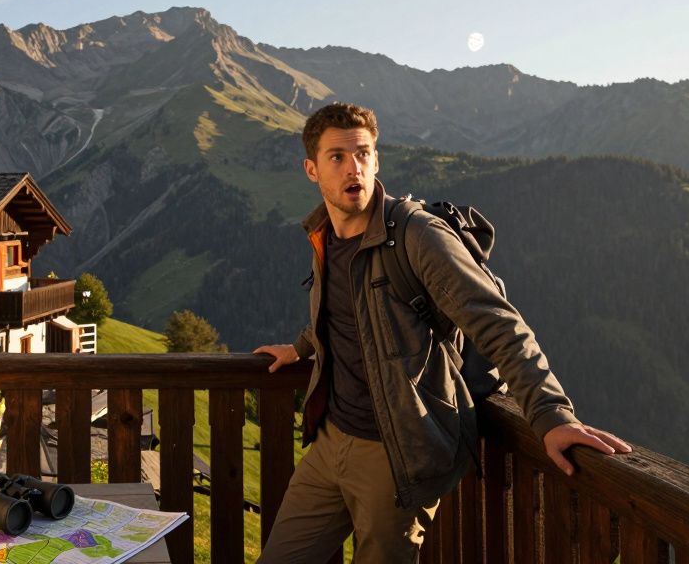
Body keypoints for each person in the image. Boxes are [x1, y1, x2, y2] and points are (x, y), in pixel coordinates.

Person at [253, 102, 631, 563]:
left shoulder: (416, 235)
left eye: (363, 154)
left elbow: (501, 327)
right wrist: (300, 347)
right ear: (312, 169)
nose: (354, 168)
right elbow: (350, 309)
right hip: (330, 443)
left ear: (377, 160)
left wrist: (553, 416)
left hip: (395, 455)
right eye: (337, 156)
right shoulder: (324, 234)